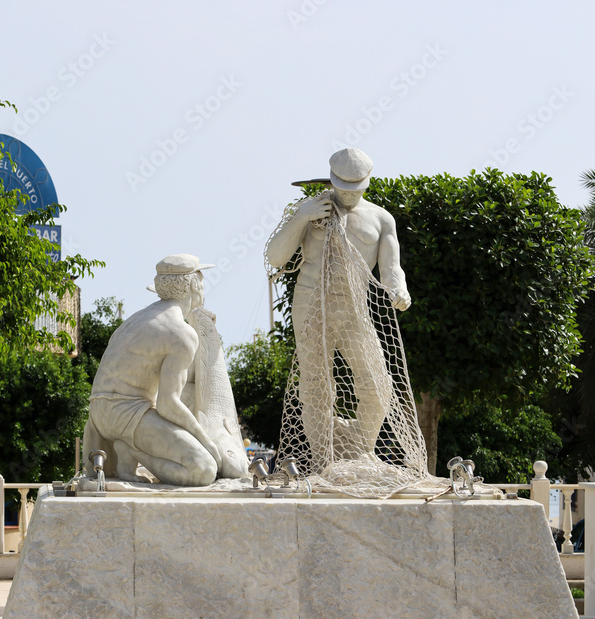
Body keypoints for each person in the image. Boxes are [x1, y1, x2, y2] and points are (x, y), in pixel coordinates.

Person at [265, 148, 414, 467]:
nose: (346, 194)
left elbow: (391, 267)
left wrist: (398, 289)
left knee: (377, 382)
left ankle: (360, 451)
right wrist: (302, 216)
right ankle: (322, 456)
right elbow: (277, 256)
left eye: (353, 188)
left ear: (366, 184)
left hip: (353, 307)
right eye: (341, 187)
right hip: (311, 301)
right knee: (315, 383)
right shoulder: (312, 208)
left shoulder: (381, 218)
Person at [83, 254, 248, 486]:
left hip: (99, 416)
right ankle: (131, 452)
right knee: (203, 469)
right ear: (192, 285)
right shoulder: (180, 332)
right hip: (127, 415)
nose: (203, 288)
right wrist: (207, 443)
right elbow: (168, 404)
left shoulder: (135, 319)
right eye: (200, 280)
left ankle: (130, 449)